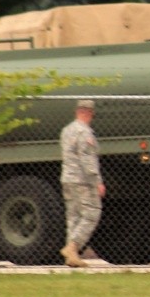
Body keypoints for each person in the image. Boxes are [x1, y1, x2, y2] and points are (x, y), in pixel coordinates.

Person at [60, 99, 104, 268]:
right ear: (89, 113)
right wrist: (97, 181)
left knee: (74, 216)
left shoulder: (67, 130)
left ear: (77, 111)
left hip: (68, 178)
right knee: (92, 213)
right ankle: (73, 247)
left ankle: (72, 256)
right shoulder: (85, 133)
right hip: (83, 180)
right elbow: (87, 159)